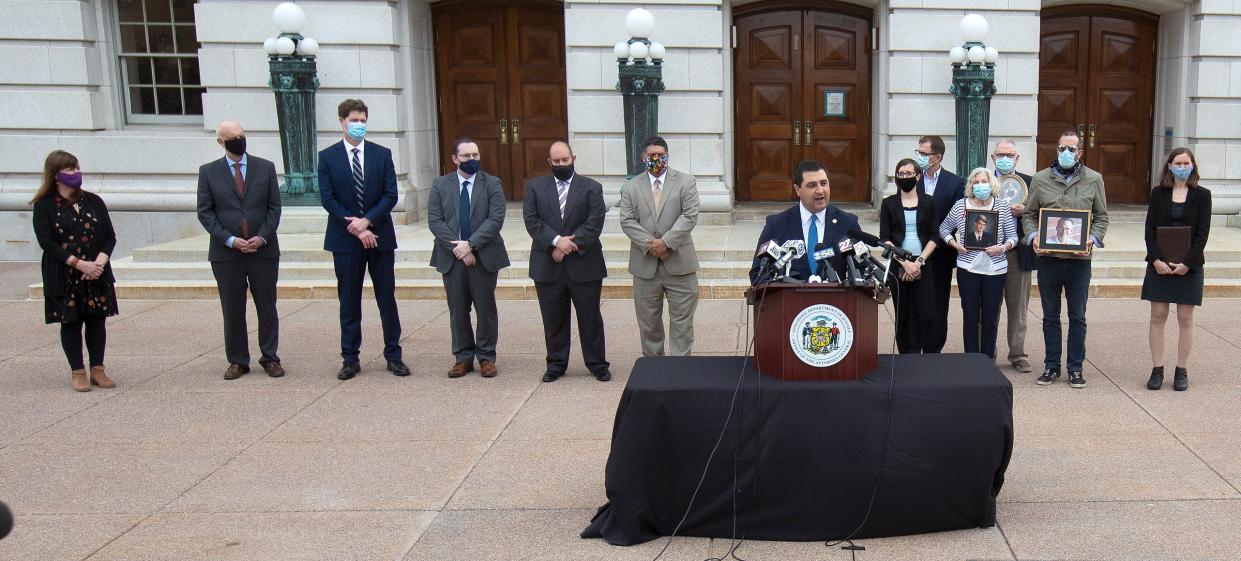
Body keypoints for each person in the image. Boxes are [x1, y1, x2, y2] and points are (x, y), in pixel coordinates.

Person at [319, 99, 408, 380]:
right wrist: (357, 227)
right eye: (354, 120)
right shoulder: (327, 157)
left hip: (379, 236)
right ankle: (350, 358)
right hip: (345, 240)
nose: (359, 125)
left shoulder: (382, 154)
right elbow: (328, 198)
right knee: (349, 300)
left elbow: (390, 195)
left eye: (363, 120)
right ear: (342, 121)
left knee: (386, 298)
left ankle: (393, 355)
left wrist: (368, 221)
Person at [196, 120, 284, 380]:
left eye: (241, 135)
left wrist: (262, 237)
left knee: (267, 306)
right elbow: (205, 212)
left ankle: (270, 357)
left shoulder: (265, 168)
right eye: (232, 137)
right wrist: (230, 240)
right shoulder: (208, 172)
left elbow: (274, 208)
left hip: (263, 251)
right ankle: (237, 360)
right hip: (227, 254)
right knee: (232, 308)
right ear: (221, 142)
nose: (238, 139)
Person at [1023, 130, 1109, 389]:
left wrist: (1092, 239)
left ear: (1080, 152)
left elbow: (1102, 216)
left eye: (1072, 149)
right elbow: (1029, 215)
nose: (1066, 153)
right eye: (1062, 148)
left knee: (1077, 316)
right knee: (1050, 316)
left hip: (1079, 261)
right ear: (1056, 149)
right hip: (1049, 259)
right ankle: (1051, 366)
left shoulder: (1094, 179)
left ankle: (1075, 367)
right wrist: (1034, 237)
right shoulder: (1039, 179)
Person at [523, 140, 610, 382]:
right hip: (548, 265)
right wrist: (555, 241)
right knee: (553, 319)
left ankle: (597, 364)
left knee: (590, 318)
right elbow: (532, 221)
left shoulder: (592, 187)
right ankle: (556, 364)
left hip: (584, 264)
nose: (561, 164)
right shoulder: (535, 187)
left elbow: (595, 222)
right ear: (549, 162)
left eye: (565, 160)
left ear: (574, 158)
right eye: (556, 161)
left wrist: (569, 245)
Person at [31, 150, 118, 392]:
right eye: (70, 170)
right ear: (56, 175)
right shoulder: (44, 206)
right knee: (71, 322)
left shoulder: (93, 201)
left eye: (77, 168)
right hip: (65, 273)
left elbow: (109, 236)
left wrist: (99, 263)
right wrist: (78, 263)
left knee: (97, 320)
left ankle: (98, 369)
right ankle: (78, 371)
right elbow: (47, 243)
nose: (76, 173)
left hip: (96, 272)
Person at [428, 137, 510, 377]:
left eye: (475, 155)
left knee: (485, 308)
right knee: (458, 309)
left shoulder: (492, 183)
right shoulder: (440, 185)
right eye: (466, 156)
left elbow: (495, 219)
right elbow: (435, 220)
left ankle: (486, 357)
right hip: (451, 257)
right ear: (455, 159)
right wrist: (460, 249)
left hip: (484, 256)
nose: (472, 160)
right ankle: (463, 358)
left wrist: (472, 245)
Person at [619, 136, 700, 357]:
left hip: (680, 265)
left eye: (661, 155)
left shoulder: (686, 181)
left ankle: (680, 372)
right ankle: (654, 371)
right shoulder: (631, 187)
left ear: (667, 156)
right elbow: (626, 220)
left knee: (682, 325)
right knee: (649, 325)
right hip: (645, 267)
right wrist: (652, 245)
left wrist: (667, 243)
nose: (656, 159)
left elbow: (690, 215)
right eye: (651, 155)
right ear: (643, 157)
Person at [1143, 148, 1211, 391]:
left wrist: (1187, 263)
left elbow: (1203, 234)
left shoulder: (1203, 195)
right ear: (1169, 166)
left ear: (1193, 165)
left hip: (1188, 266)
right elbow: (1149, 229)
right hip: (1159, 265)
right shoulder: (1158, 194)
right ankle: (1157, 369)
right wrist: (1156, 260)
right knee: (1158, 315)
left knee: (1185, 317)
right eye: (1177, 163)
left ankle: (1181, 369)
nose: (1182, 166)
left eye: (1186, 163)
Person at [939, 168, 1018, 360]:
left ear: (992, 184)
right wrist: (954, 244)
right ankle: (971, 360)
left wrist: (1002, 247)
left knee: (991, 318)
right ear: (970, 186)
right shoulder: (960, 206)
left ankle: (988, 359)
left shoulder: (1001, 206)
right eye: (976, 182)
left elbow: (1013, 237)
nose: (980, 185)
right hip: (968, 268)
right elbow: (944, 228)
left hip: (996, 269)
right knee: (970, 317)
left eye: (984, 181)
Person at [748, 160, 860, 284]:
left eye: (824, 183)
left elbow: (862, 271)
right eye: (812, 185)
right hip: (791, 301)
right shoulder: (776, 224)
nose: (820, 190)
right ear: (797, 190)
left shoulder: (848, 223)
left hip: (836, 302)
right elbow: (758, 275)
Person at [879, 158, 939, 354]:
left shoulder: (929, 202)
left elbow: (933, 236)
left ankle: (928, 355)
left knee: (927, 313)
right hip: (899, 264)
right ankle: (907, 355)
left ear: (918, 176)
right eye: (901, 174)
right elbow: (885, 239)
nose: (905, 177)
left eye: (908, 173)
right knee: (904, 314)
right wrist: (905, 263)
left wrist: (918, 262)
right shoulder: (888, 204)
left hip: (923, 262)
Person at [914, 135, 966, 353]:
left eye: (924, 154)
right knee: (915, 303)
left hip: (941, 254)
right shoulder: (912, 179)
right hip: (913, 251)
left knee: (938, 303)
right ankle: (913, 346)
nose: (919, 157)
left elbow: (955, 219)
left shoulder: (955, 183)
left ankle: (934, 349)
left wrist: (940, 240)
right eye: (918, 153)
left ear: (937, 157)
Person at [993, 140, 1036, 372]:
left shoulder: (1030, 183)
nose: (1005, 158)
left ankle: (1018, 353)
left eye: (1010, 155)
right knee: (988, 305)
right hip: (990, 253)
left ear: (1017, 158)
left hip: (1018, 253)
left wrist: (1026, 210)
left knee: (1018, 306)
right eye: (1001, 154)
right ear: (993, 157)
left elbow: (1041, 214)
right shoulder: (983, 181)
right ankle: (987, 352)